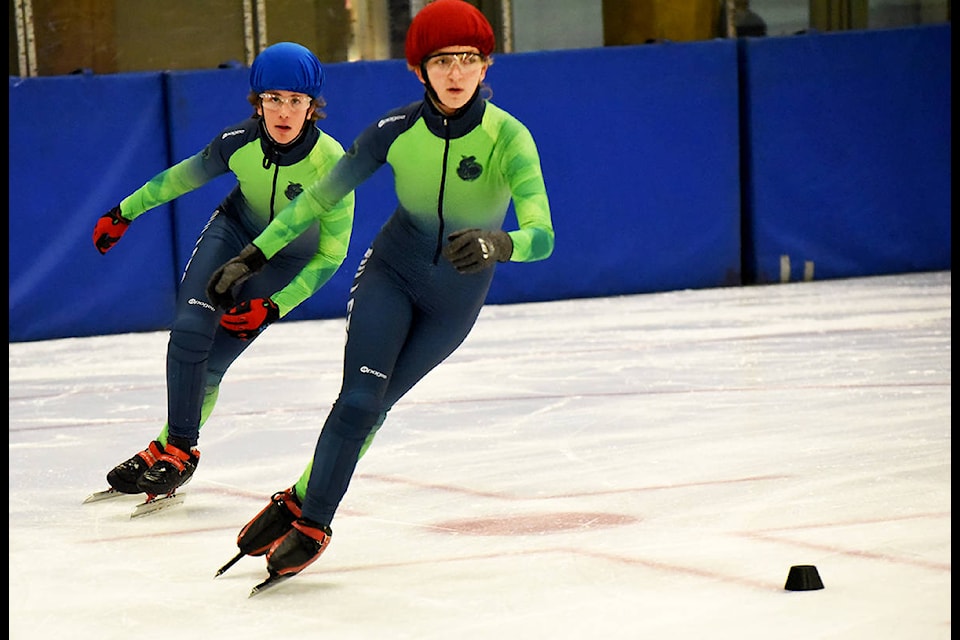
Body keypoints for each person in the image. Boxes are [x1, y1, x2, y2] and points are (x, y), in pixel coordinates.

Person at [207, 0, 555, 591]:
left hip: (455, 301)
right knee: (360, 399)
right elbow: (318, 196)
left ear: (485, 67)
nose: (454, 73)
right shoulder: (395, 130)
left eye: (467, 60)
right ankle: (315, 522)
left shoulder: (509, 138)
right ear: (418, 70)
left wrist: (501, 243)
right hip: (392, 273)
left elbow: (543, 235)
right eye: (441, 61)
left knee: (377, 407)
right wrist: (253, 253)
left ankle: (300, 497)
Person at [92, 42, 355, 499]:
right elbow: (182, 177)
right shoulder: (239, 142)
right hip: (234, 234)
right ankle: (179, 449)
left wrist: (275, 306)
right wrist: (125, 212)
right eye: (274, 98)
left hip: (288, 259)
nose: (284, 111)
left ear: (313, 106)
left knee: (212, 362)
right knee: (190, 330)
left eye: (296, 100)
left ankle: (165, 446)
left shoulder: (332, 163)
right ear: (258, 102)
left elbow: (332, 255)